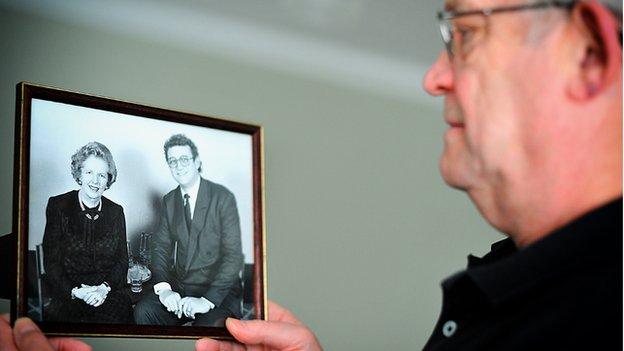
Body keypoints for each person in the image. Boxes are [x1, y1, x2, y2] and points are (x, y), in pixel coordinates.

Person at [1, 0, 621, 349]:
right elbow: (154, 257)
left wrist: (199, 297)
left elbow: (226, 257)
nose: (433, 75)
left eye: (465, 34)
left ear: (588, 52)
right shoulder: (513, 289)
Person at [134, 134, 244, 327]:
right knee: (145, 312)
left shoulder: (222, 198)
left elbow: (233, 257)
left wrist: (206, 301)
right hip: (183, 287)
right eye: (172, 161)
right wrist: (165, 289)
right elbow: (160, 248)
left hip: (218, 292)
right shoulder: (170, 201)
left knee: (209, 327)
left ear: (197, 161)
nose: (178, 166)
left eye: (184, 159)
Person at [41, 142, 132, 324]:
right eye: (89, 172)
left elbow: (122, 260)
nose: (95, 181)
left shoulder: (116, 211)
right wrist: (76, 292)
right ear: (79, 175)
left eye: (101, 175)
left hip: (108, 294)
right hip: (69, 294)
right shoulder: (58, 206)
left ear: (108, 180)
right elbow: (51, 262)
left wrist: (103, 289)